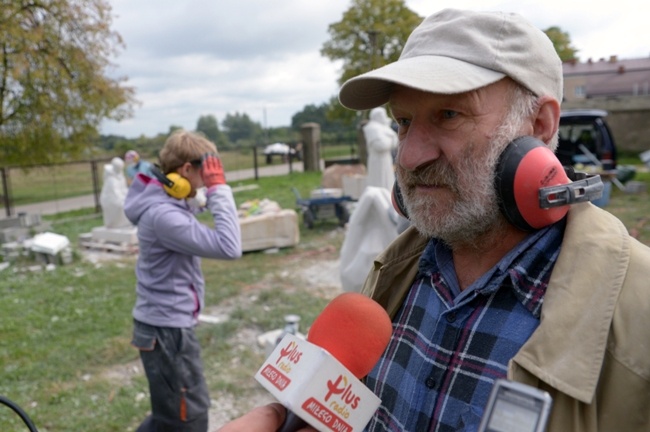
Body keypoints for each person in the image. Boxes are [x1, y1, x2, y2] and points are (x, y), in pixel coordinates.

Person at [219, 8, 650, 432]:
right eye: (404, 121)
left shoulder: (639, 317)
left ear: (539, 123)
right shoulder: (396, 268)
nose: (408, 156)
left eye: (449, 115)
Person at [124, 130, 242, 432]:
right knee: (187, 417)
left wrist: (195, 196)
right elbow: (230, 247)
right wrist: (219, 190)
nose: (207, 180)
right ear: (186, 170)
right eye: (206, 173)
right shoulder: (164, 216)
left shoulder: (165, 203)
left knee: (171, 414)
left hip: (164, 327)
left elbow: (186, 205)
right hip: (166, 332)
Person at [363, 106, 398, 191]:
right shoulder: (371, 128)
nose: (384, 117)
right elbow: (381, 146)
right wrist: (390, 139)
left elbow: (396, 141)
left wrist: (390, 138)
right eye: (382, 115)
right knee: (378, 181)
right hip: (377, 160)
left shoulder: (384, 127)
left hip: (386, 158)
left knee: (387, 180)